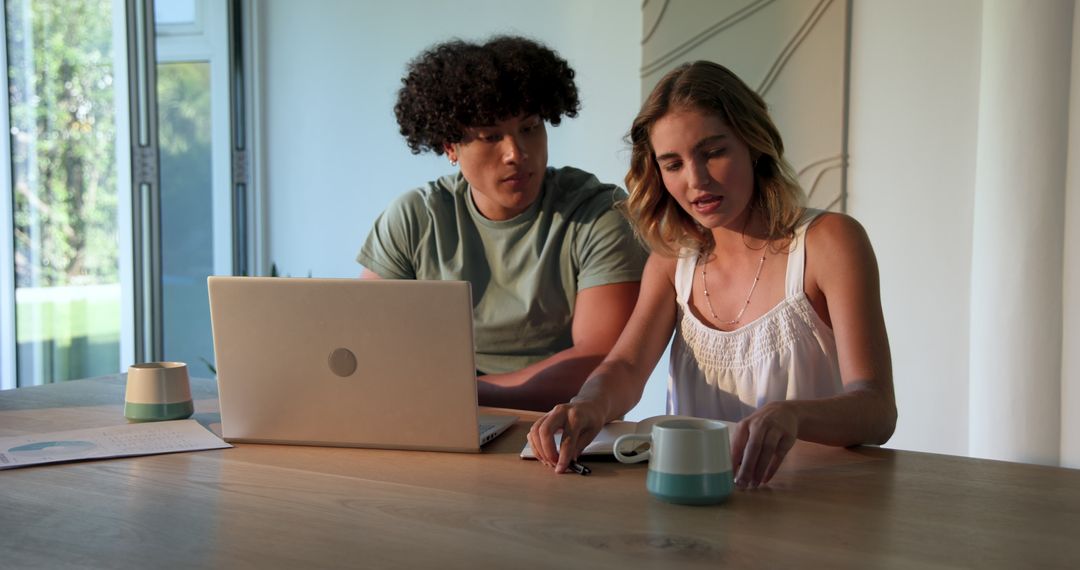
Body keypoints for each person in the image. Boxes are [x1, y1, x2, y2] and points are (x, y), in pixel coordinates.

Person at [527, 61, 897, 487]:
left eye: (713, 152)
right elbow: (627, 367)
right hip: (694, 499)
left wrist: (793, 414)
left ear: (754, 144)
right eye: (673, 164)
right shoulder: (673, 261)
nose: (696, 180)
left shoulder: (829, 242)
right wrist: (587, 403)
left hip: (813, 499)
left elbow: (877, 410)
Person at [357, 36, 647, 412]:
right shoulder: (415, 218)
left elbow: (598, 360)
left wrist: (462, 395)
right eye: (492, 136)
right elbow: (367, 341)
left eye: (529, 127)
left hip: (560, 430)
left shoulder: (597, 214)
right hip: (435, 420)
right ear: (450, 147)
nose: (516, 153)